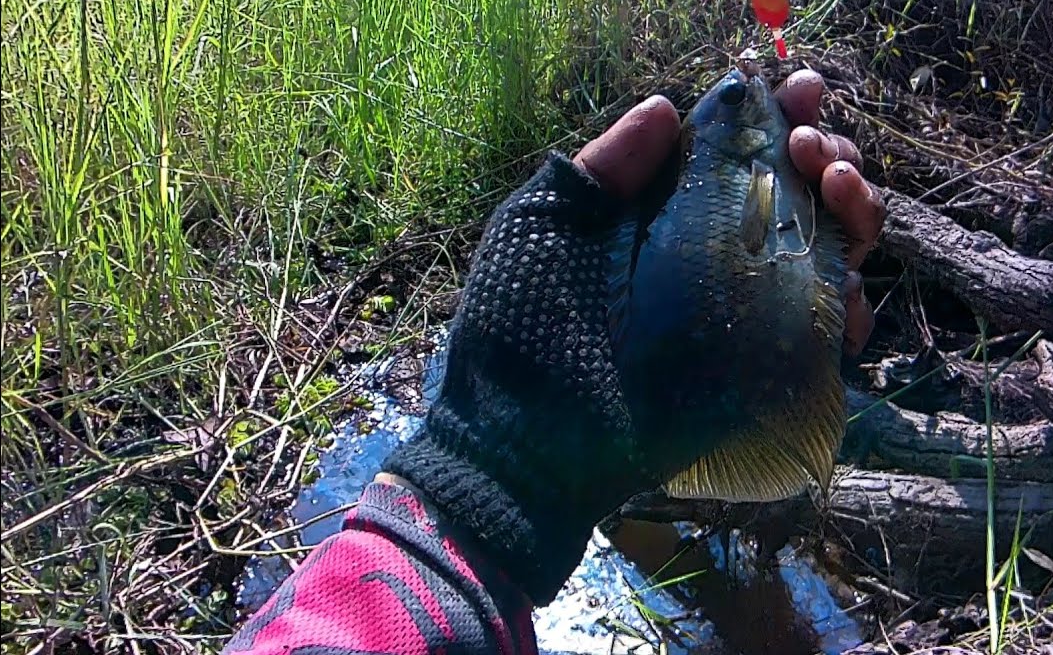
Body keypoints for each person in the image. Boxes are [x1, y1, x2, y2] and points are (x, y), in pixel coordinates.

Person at [221, 68, 885, 655]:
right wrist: (499, 472)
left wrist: (485, 472)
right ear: (732, 133)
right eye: (739, 96)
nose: (748, 90)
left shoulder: (731, 170)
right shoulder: (743, 167)